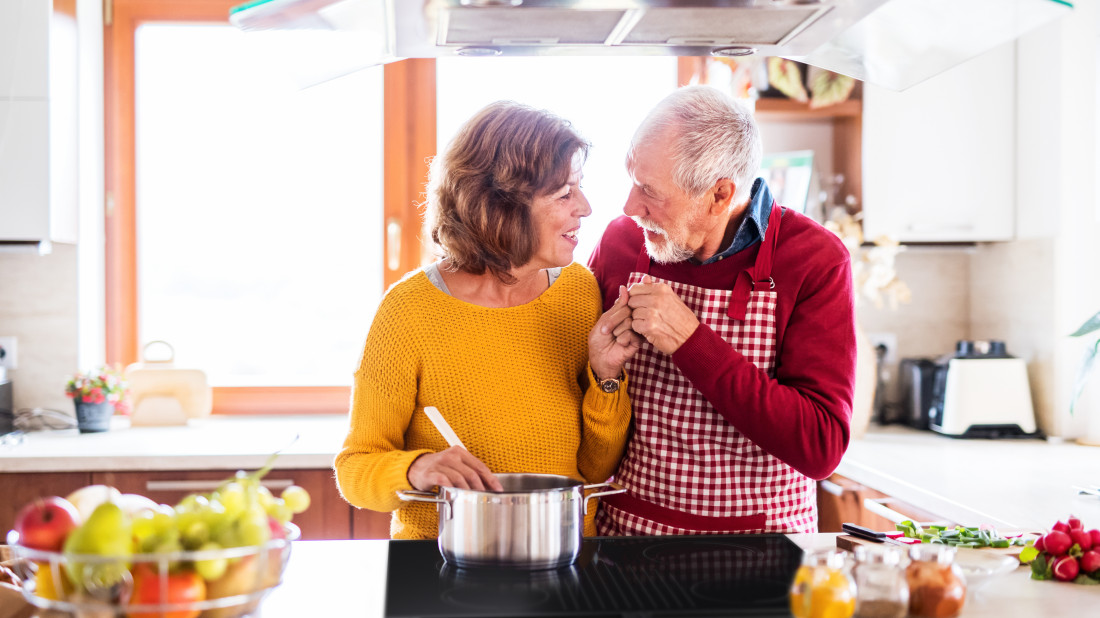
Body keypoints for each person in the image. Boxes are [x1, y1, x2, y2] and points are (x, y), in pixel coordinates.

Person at [335, 101, 640, 540]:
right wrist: (416, 468)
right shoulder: (409, 310)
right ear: (502, 208)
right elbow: (355, 470)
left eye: (580, 187)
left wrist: (606, 377)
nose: (586, 207)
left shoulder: (578, 291)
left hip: (558, 557)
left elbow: (593, 469)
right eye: (564, 193)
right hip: (439, 566)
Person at [588, 85, 856, 535]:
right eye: (632, 181)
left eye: (648, 190)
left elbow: (821, 446)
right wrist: (600, 371)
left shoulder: (815, 260)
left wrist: (692, 342)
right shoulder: (622, 242)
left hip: (762, 552)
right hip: (629, 542)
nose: (629, 207)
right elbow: (575, 389)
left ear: (719, 196)